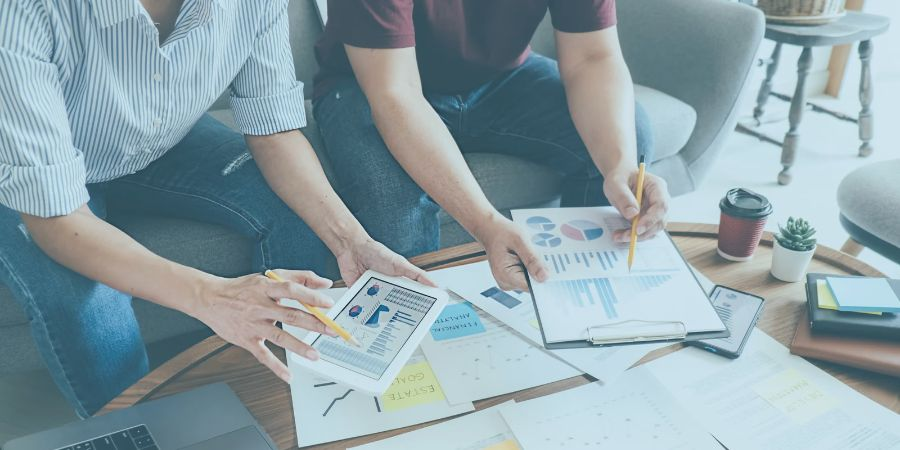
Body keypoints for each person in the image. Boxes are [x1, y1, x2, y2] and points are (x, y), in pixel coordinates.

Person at [0, 0, 431, 417]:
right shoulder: (23, 11)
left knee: (304, 220)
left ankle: (293, 406)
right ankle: (137, 427)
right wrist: (211, 296)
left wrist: (351, 240)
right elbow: (57, 218)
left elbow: (274, 131)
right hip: (24, 168)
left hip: (160, 136)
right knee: (93, 307)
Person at [313, 0, 670, 292]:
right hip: (369, 84)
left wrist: (618, 164)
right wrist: (486, 224)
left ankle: (578, 302)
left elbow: (593, 56)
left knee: (629, 136)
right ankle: (420, 342)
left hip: (499, 78)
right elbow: (396, 94)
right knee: (393, 202)